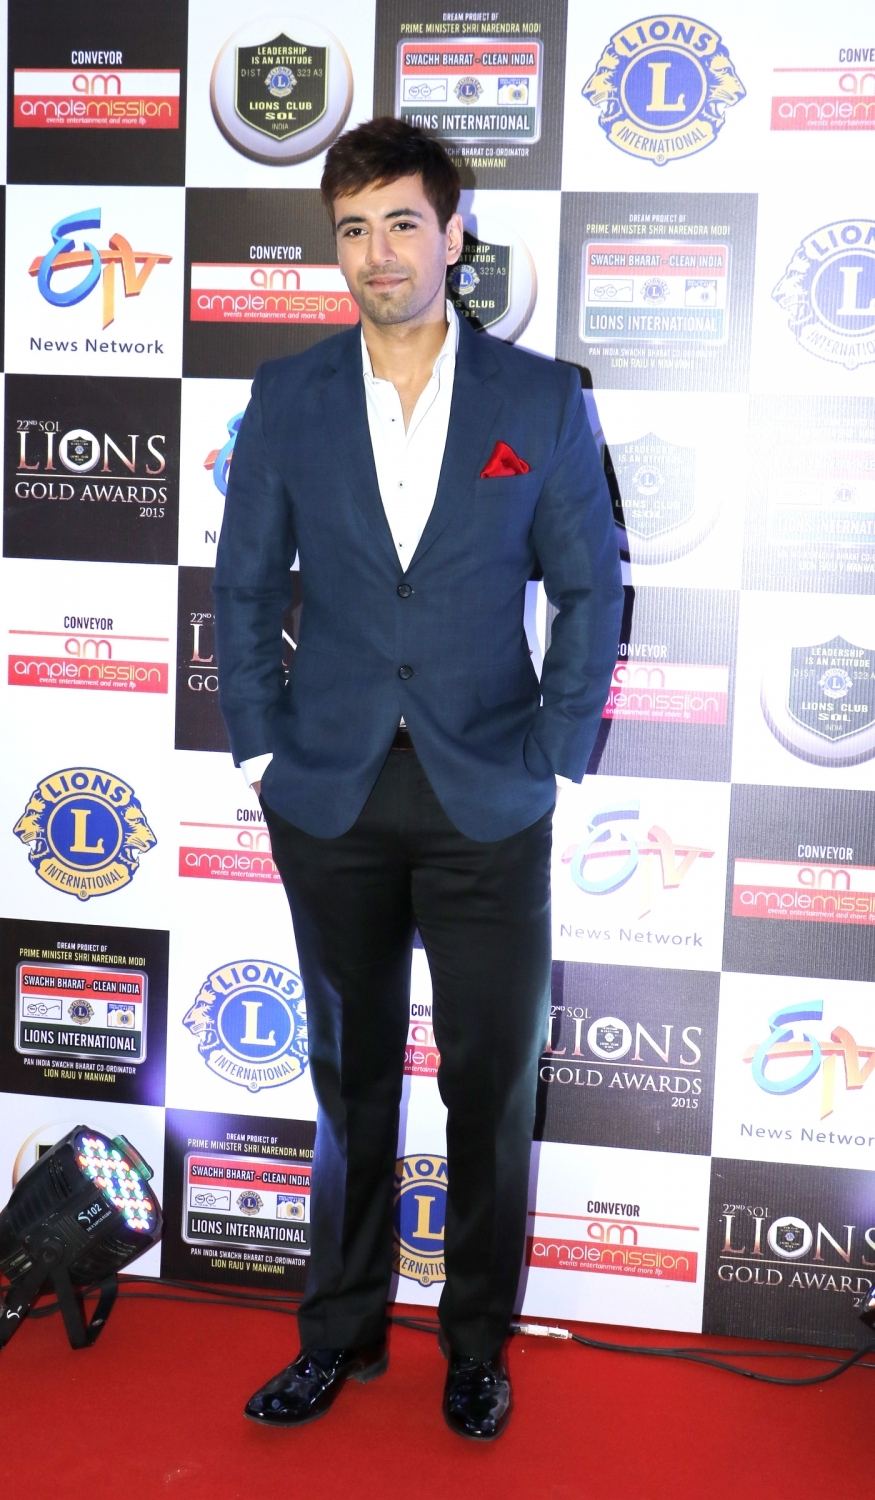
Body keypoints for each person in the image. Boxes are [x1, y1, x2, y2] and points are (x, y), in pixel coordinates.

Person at [213, 116, 623, 1441]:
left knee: (489, 1087)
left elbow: (590, 589)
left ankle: (475, 1345)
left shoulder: (540, 401)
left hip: (486, 796)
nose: (378, 252)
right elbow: (242, 586)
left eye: (402, 222)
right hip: (328, 792)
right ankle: (338, 1333)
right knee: (348, 1081)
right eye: (352, 229)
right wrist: (263, 744)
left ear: (454, 234)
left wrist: (555, 754)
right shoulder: (287, 398)